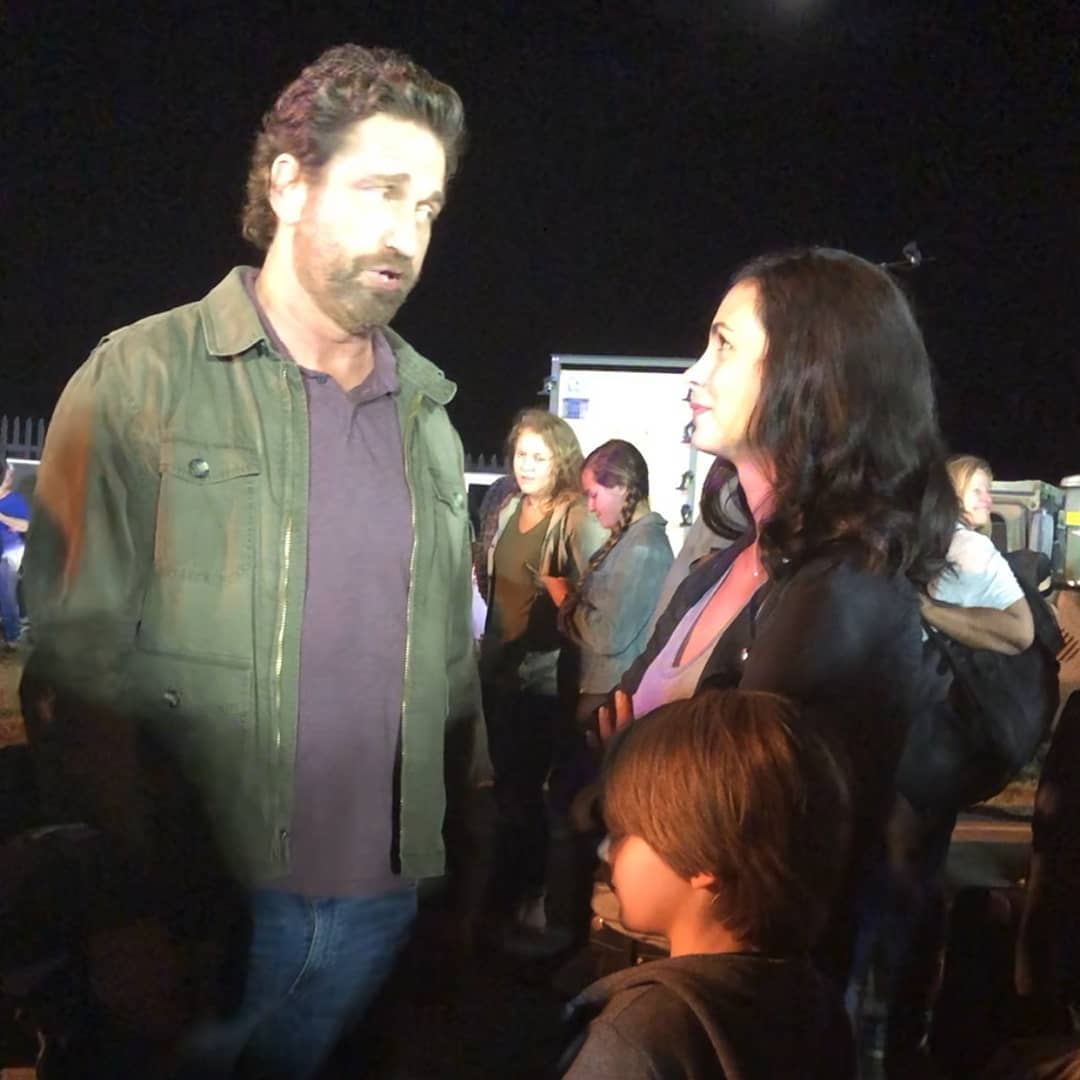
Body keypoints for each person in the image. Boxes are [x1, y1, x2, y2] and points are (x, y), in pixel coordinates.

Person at [21, 44, 482, 1079]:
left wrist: (457, 893)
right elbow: (70, 674)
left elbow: (452, 681)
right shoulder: (137, 378)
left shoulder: (432, 422)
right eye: (380, 191)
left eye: (427, 207)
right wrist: (119, 910)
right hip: (198, 921)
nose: (407, 234)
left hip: (383, 916)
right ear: (288, 184)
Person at [598, 247, 957, 983]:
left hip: (744, 1002)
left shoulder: (842, 593)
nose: (693, 373)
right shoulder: (728, 564)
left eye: (723, 345)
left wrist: (637, 771)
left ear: (811, 372)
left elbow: (749, 834)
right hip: (670, 971)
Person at [559, 688, 856, 1079]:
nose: (610, 852)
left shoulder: (637, 1037)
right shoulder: (816, 1003)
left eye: (624, 833)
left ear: (704, 860)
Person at [479, 409, 605, 939]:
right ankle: (505, 894)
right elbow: (490, 578)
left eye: (539, 457)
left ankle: (528, 898)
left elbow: (596, 596)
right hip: (499, 668)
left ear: (561, 461)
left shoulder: (575, 516)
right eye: (520, 455)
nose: (526, 466)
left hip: (542, 676)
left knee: (527, 791)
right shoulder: (510, 506)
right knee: (507, 787)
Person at [547, 439, 674, 720]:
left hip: (611, 698)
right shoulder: (629, 541)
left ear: (621, 486)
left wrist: (565, 600)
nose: (591, 506)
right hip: (602, 692)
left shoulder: (644, 549)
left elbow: (608, 636)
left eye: (593, 495)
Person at [0, 455, 29, 648]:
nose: (11, 477)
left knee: (5, 590)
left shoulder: (15, 500)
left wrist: (2, 517)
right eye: (8, 474)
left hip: (12, 551)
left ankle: (13, 634)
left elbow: (26, 526)